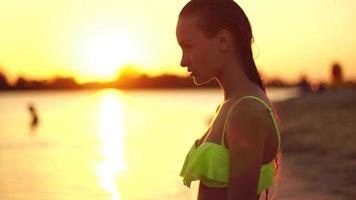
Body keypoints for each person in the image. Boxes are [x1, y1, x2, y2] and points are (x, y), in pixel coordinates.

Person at [176, 0, 282, 199]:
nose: (183, 61)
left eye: (188, 46)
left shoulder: (246, 110)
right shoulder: (228, 106)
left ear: (223, 41)